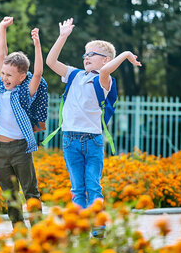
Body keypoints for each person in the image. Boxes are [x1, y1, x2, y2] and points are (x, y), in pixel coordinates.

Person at [45, 18, 142, 212]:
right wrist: (62, 36)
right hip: (69, 138)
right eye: (85, 54)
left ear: (106, 59)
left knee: (93, 187)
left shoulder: (105, 80)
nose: (86, 57)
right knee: (77, 189)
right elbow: (50, 61)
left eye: (92, 54)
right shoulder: (74, 75)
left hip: (93, 141)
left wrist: (125, 54)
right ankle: (79, 225)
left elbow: (105, 71)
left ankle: (98, 226)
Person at [0, 16, 45, 227]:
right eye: (3, 73)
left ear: (22, 77)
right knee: (9, 193)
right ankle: (18, 229)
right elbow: (2, 53)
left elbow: (38, 72)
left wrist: (37, 44)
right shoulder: (0, 88)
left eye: (10, 75)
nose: (5, 78)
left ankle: (38, 229)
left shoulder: (24, 92)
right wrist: (2, 28)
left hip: (20, 148)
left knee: (30, 190)